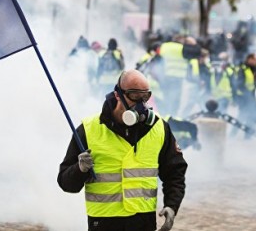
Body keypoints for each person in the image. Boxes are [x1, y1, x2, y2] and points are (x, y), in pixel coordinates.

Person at [57, 69, 188, 231]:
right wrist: (80, 169)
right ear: (117, 94)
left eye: (145, 96)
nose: (141, 103)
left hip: (143, 221)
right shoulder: (88, 129)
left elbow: (175, 172)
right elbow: (66, 183)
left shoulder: (159, 128)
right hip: (104, 222)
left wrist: (172, 205)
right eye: (134, 95)